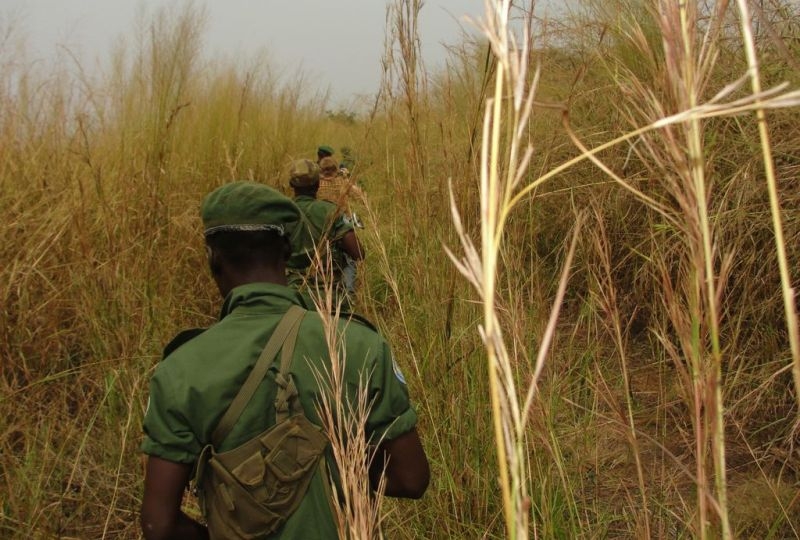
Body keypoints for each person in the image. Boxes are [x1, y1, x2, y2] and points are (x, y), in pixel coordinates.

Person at [139, 182, 429, 540]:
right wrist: (336, 468)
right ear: (287, 252)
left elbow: (158, 524)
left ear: (213, 258)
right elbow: (411, 479)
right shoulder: (359, 344)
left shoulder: (179, 370)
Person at [286, 159, 362, 311]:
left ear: (292, 185)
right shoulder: (331, 212)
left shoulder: (281, 211)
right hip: (329, 298)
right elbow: (357, 252)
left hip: (291, 297)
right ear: (317, 184)